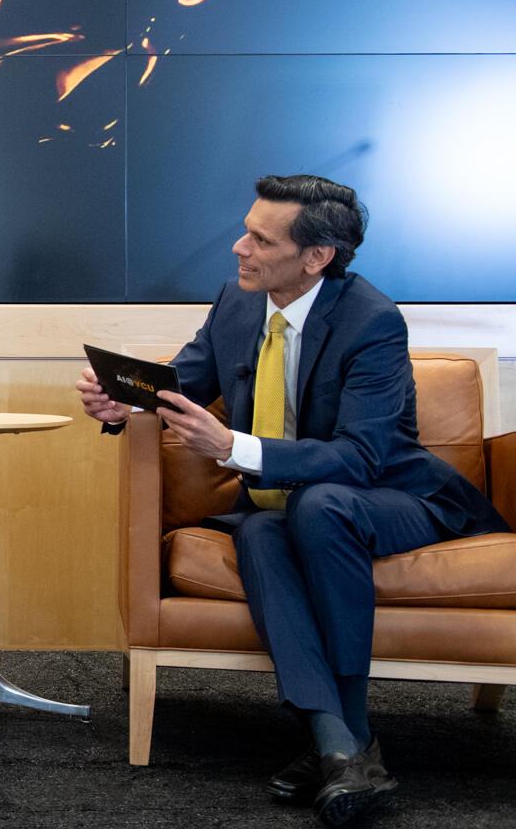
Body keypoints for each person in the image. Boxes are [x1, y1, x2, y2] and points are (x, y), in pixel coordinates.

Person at [77, 175, 507, 826]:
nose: (237, 247)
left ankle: (348, 735)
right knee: (258, 531)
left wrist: (236, 446)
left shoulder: (372, 321)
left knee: (318, 505)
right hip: (294, 507)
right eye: (246, 229)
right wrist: (121, 401)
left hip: (395, 498)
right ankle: (340, 747)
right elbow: (180, 384)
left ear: (316, 257)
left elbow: (362, 457)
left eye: (259, 238)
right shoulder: (237, 303)